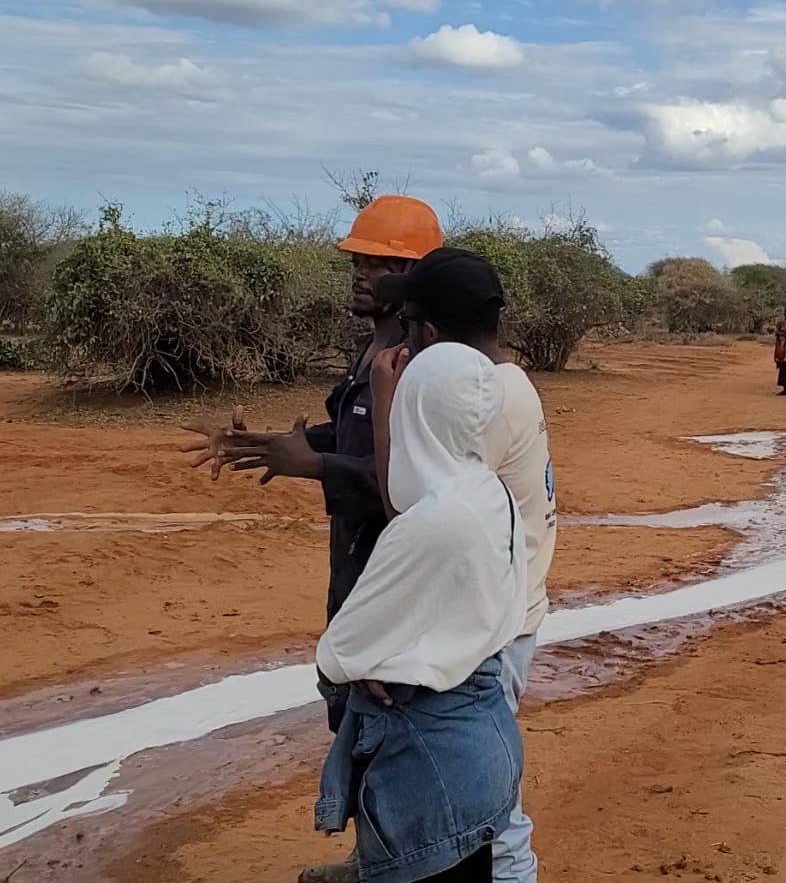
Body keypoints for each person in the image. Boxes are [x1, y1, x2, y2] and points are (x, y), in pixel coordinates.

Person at [180, 194, 444, 883]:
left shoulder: (419, 360)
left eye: (374, 261)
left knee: (391, 716)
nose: (358, 272)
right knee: (355, 707)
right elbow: (355, 438)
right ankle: (372, 859)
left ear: (412, 272)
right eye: (356, 259)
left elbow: (411, 481)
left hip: (394, 566)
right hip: (355, 558)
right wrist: (279, 444)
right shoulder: (376, 348)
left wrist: (315, 465)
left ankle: (395, 864)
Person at [315, 341, 527, 883]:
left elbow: (341, 652)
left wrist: (361, 664)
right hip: (482, 736)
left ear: (415, 412)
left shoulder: (431, 523)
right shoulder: (490, 491)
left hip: (427, 761)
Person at [382, 247, 555, 883]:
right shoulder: (504, 384)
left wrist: (386, 397)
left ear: (428, 334)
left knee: (492, 817)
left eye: (408, 326)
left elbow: (405, 494)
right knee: (482, 802)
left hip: (493, 625)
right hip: (505, 611)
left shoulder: (484, 403)